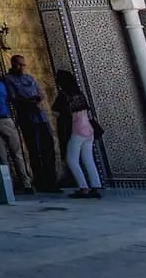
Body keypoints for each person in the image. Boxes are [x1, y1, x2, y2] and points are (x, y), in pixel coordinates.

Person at [3, 54, 59, 192]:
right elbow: (13, 98)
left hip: (41, 117)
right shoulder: (8, 79)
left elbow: (40, 93)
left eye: (23, 64)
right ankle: (40, 181)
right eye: (18, 64)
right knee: (34, 150)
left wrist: (38, 99)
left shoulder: (29, 78)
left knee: (48, 148)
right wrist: (28, 101)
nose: (21, 67)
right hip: (27, 118)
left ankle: (52, 180)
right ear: (13, 64)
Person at [0, 61, 34, 193]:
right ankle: (26, 183)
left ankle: (7, 184)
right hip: (5, 119)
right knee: (17, 153)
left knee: (1, 154)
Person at [54, 69, 103, 198]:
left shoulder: (64, 95)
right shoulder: (80, 94)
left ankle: (83, 187)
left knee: (72, 160)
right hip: (89, 130)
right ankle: (96, 186)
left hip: (77, 130)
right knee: (88, 159)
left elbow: (58, 112)